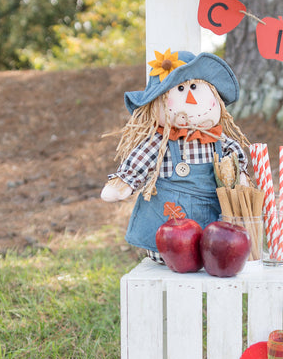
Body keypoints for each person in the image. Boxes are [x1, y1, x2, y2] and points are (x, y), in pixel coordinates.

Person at [101, 49, 250, 256]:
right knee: (170, 251)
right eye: (179, 89)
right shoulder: (159, 142)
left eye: (195, 88)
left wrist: (241, 177)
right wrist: (124, 183)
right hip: (167, 228)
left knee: (214, 249)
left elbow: (236, 162)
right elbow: (139, 163)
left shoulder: (219, 142)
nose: (190, 98)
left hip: (212, 225)